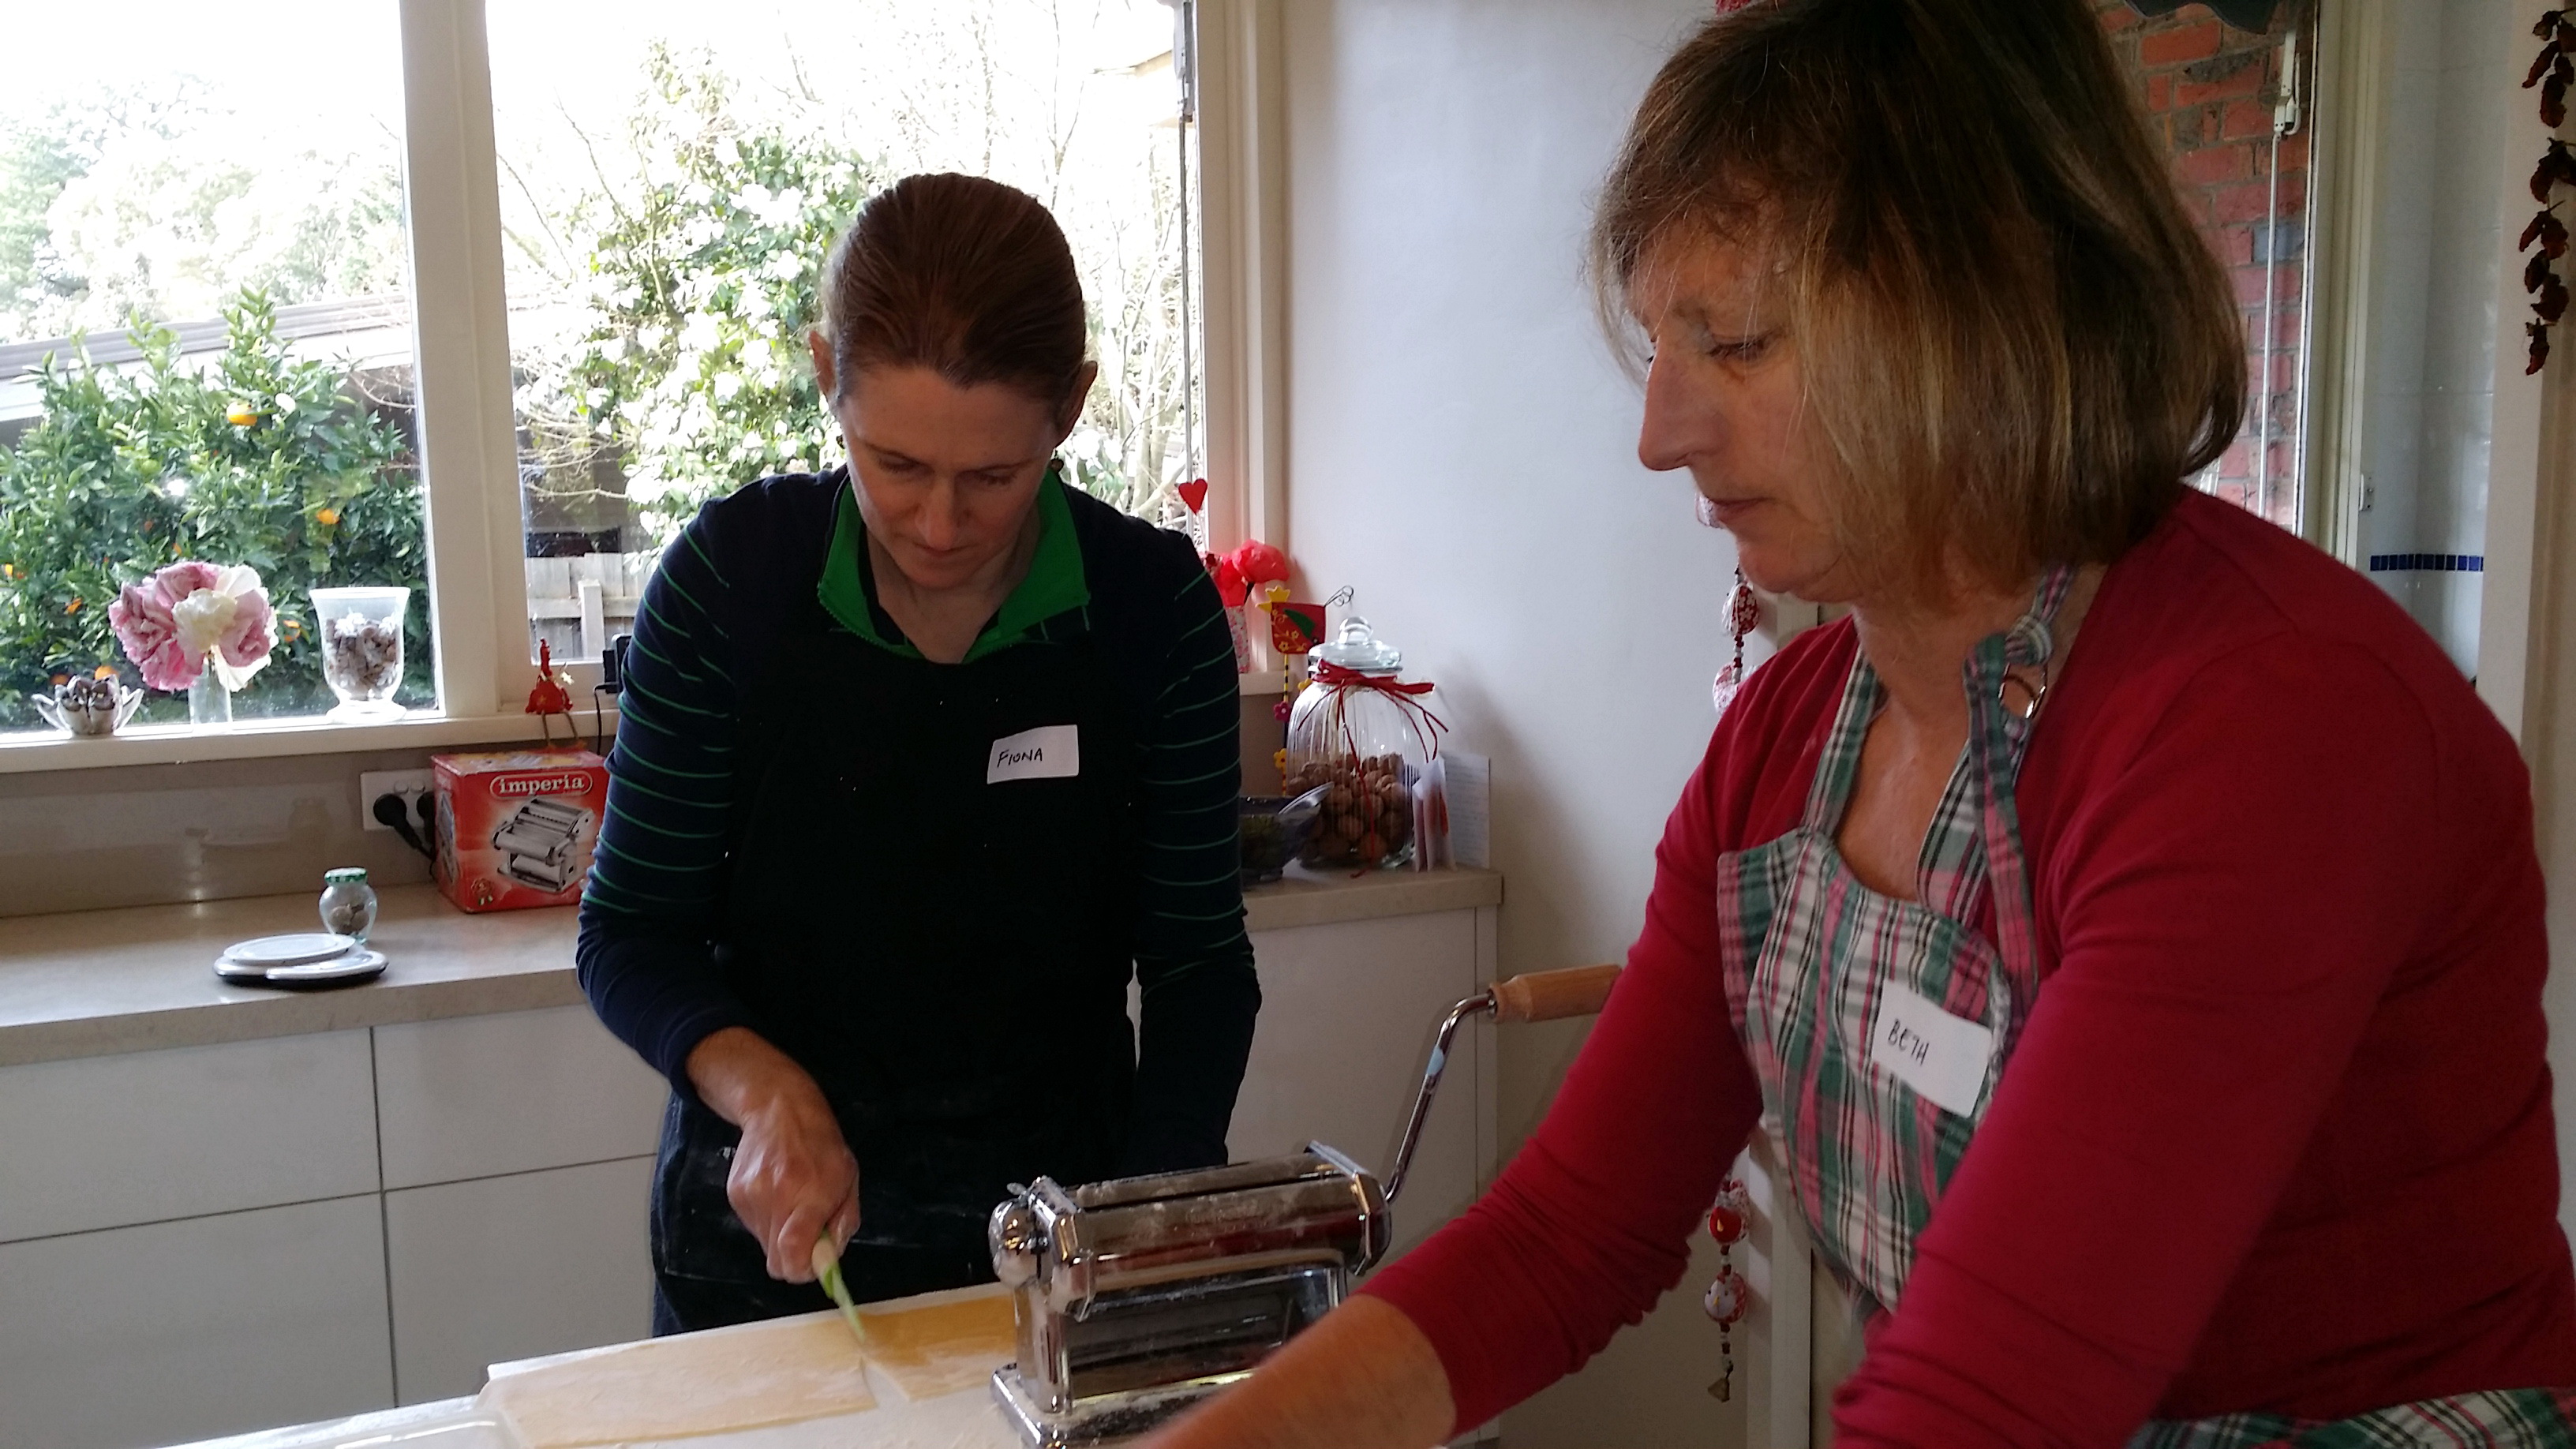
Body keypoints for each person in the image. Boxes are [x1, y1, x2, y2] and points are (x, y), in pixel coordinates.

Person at [1142, 2, 2576, 1446]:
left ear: (1993, 308)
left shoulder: (2275, 727)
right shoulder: (1784, 747)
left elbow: (1989, 1399)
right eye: (1660, 342)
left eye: (1741, 343)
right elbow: (1563, 1241)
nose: (1662, 431)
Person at [577, 173, 1260, 1334]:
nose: (940, 526)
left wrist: (1150, 1211)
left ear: (1072, 408)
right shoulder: (732, 586)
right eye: (895, 465)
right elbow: (629, 931)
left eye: (994, 477)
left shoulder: (1151, 614)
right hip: (769, 1260)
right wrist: (762, 1085)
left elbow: (1197, 964)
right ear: (823, 377)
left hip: (1057, 1249)